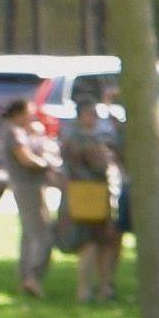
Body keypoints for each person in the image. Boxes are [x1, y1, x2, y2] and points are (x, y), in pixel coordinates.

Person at [57, 93, 121, 303]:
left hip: (77, 194)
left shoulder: (69, 137)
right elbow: (100, 166)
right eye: (91, 114)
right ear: (82, 115)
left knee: (99, 242)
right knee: (92, 243)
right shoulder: (85, 140)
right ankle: (92, 289)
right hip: (90, 195)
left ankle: (97, 288)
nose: (94, 118)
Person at [1, 91, 60, 298]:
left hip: (26, 186)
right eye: (29, 113)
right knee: (43, 234)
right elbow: (26, 159)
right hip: (29, 187)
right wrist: (47, 164)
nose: (31, 117)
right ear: (18, 113)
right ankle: (33, 277)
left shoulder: (16, 131)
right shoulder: (14, 133)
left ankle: (26, 277)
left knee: (28, 234)